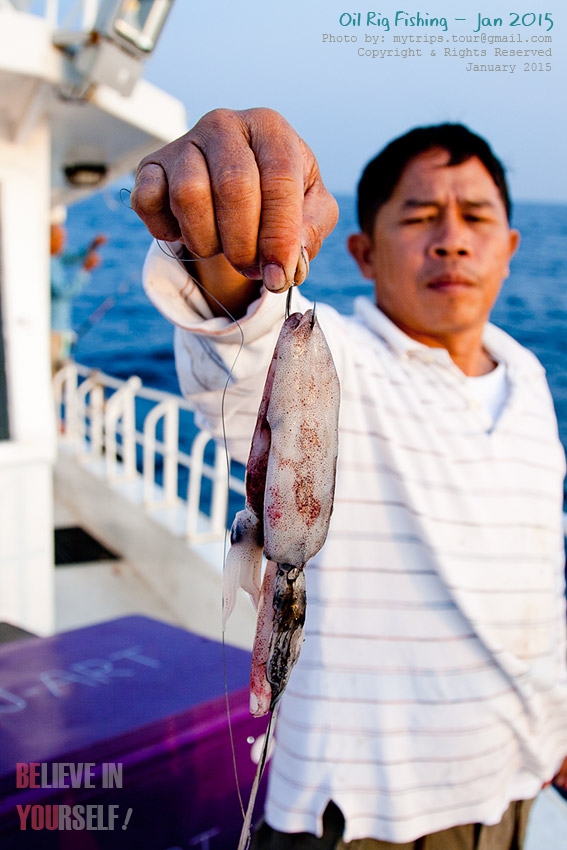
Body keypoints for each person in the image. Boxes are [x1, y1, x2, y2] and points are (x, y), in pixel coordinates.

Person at [131, 109, 567, 850]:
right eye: (420, 215)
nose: (451, 237)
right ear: (362, 251)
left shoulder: (526, 377)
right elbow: (241, 336)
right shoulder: (334, 354)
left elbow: (533, 582)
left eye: (475, 217)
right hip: (357, 814)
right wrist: (231, 245)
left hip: (515, 780)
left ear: (509, 247)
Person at [50, 207, 106, 372]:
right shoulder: (46, 262)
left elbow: (70, 257)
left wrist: (91, 247)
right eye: (59, 237)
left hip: (59, 331)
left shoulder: (53, 259)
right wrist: (85, 271)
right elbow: (63, 291)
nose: (62, 241)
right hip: (52, 333)